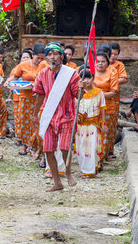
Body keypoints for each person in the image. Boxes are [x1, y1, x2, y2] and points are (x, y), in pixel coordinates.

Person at [32, 42, 80, 192]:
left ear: (61, 56)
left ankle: (67, 171)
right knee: (48, 149)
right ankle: (57, 182)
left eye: (56, 54)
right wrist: (35, 115)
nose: (53, 57)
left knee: (65, 147)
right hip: (48, 115)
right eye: (49, 55)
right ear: (46, 58)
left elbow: (78, 95)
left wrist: (83, 88)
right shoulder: (42, 74)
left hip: (67, 115)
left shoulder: (70, 73)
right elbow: (39, 95)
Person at [5, 43, 47, 156]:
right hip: (24, 96)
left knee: (36, 122)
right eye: (38, 58)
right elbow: (15, 77)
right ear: (33, 55)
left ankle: (35, 147)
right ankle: (24, 146)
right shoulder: (23, 65)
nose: (40, 60)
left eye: (42, 58)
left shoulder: (44, 65)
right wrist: (8, 81)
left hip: (38, 98)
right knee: (24, 122)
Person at [74, 69, 107, 178]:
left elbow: (102, 108)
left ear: (93, 78)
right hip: (80, 126)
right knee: (81, 147)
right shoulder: (77, 93)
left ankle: (91, 170)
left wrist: (103, 123)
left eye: (89, 78)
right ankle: (84, 169)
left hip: (93, 125)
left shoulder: (99, 92)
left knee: (92, 147)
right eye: (83, 78)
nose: (86, 81)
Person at [93, 51, 119, 161]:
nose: (100, 63)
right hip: (92, 108)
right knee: (93, 133)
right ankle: (93, 156)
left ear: (107, 63)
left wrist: (98, 95)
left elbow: (114, 92)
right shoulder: (90, 73)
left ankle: (101, 157)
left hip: (107, 107)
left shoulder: (112, 73)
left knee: (105, 134)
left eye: (103, 61)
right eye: (98, 61)